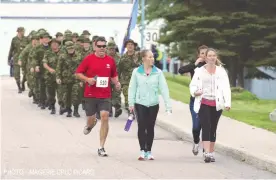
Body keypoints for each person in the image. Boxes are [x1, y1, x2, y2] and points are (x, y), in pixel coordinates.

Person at [75, 36, 121, 157]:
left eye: (103, 46)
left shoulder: (110, 60)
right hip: (90, 94)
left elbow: (113, 75)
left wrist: (117, 83)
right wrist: (87, 79)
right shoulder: (88, 59)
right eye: (99, 46)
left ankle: (101, 147)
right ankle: (91, 124)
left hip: (105, 94)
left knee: (105, 116)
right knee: (90, 119)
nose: (102, 48)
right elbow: (78, 73)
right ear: (95, 47)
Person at [128, 49, 172, 160]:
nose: (152, 59)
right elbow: (132, 88)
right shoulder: (136, 72)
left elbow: (164, 89)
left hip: (153, 104)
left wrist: (168, 106)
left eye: (152, 57)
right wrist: (131, 103)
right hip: (140, 103)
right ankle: (142, 150)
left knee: (150, 127)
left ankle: (149, 151)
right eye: (149, 57)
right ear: (143, 58)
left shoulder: (158, 72)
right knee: (142, 126)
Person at [189, 48, 231, 163]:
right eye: (210, 55)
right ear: (206, 58)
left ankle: (211, 152)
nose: (212, 57)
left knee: (213, 128)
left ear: (216, 57)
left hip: (217, 103)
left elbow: (226, 88)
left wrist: (227, 102)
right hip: (204, 102)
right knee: (206, 126)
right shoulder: (199, 71)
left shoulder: (221, 71)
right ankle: (206, 152)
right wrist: (195, 92)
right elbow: (192, 85)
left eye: (214, 55)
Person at [178, 45, 208, 156]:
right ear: (198, 55)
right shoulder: (195, 66)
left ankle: (206, 151)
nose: (204, 56)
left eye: (206, 53)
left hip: (208, 101)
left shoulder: (212, 67)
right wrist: (194, 64)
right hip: (195, 101)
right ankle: (196, 142)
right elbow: (180, 70)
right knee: (196, 127)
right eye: (202, 53)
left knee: (206, 126)